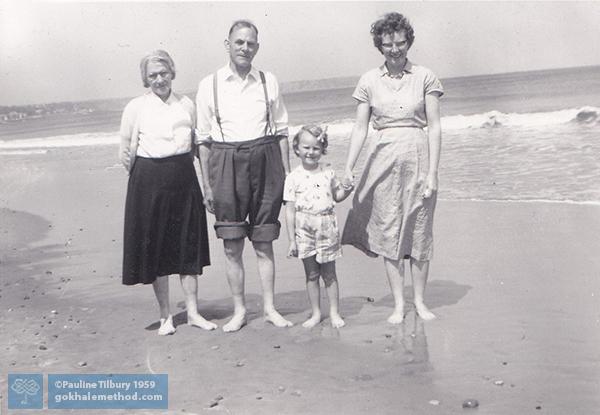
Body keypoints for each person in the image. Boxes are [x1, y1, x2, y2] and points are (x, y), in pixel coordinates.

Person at [341, 12, 443, 323]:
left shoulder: (425, 76)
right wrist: (348, 167)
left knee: (420, 231)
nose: (395, 49)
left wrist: (433, 172)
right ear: (380, 46)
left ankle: (420, 302)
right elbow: (360, 128)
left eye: (400, 43)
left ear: (409, 41)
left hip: (418, 155)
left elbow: (435, 126)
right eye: (388, 45)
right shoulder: (369, 81)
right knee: (388, 230)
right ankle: (399, 304)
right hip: (381, 158)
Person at [196, 20, 292, 332]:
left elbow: (281, 132)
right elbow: (202, 141)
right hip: (225, 161)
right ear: (228, 44)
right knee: (232, 243)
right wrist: (207, 186)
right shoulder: (208, 84)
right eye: (239, 42)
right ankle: (239, 311)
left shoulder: (268, 81)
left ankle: (269, 308)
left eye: (250, 43)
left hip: (266, 161)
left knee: (264, 243)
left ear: (257, 47)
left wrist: (287, 175)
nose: (244, 48)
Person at [120, 50, 215, 335]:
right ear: (145, 80)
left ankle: (194, 312)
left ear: (172, 73)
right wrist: (144, 180)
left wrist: (207, 186)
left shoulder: (187, 104)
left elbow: (199, 147)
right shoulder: (135, 108)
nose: (159, 79)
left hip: (184, 178)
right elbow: (126, 151)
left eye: (163, 73)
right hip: (148, 182)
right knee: (157, 248)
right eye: (153, 76)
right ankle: (165, 317)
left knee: (189, 246)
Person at [284, 126, 353, 329]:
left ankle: (334, 313)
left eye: (316, 148)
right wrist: (291, 240)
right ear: (296, 149)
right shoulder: (292, 177)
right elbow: (289, 210)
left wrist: (348, 189)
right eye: (306, 147)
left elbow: (337, 197)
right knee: (312, 274)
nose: (311, 152)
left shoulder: (328, 172)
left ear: (322, 149)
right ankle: (315, 313)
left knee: (329, 273)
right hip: (303, 228)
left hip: (327, 224)